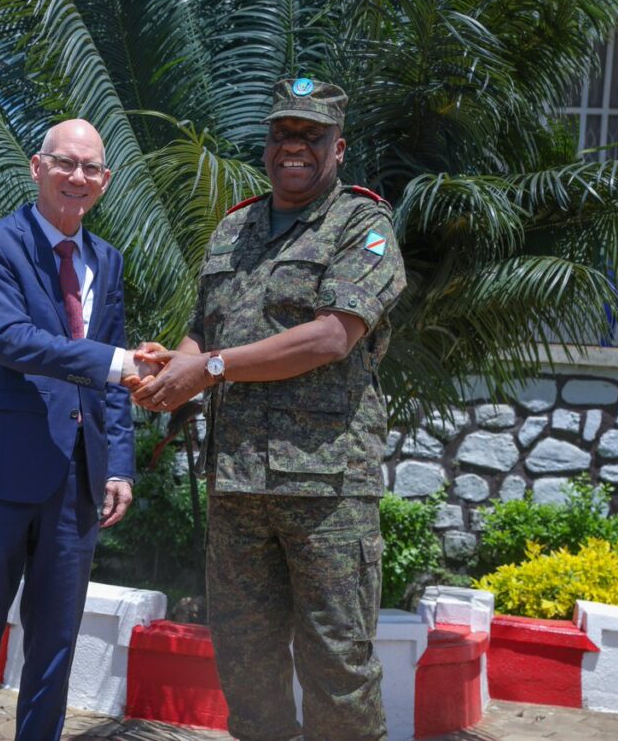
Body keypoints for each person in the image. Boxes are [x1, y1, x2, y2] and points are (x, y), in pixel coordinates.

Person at [133, 79, 407, 741]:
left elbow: (332, 335)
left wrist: (214, 367)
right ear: (267, 144)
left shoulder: (363, 226)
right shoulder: (235, 227)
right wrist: (176, 370)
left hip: (327, 487)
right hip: (236, 485)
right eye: (283, 133)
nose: (294, 147)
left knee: (337, 664)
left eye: (310, 136)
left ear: (337, 148)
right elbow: (206, 328)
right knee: (246, 663)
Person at [0, 119, 156, 741]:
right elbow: (10, 341)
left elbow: (112, 376)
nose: (77, 178)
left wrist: (117, 464)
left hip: (76, 481)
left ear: (105, 181)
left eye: (91, 169)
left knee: (56, 646)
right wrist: (117, 364)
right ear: (37, 168)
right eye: (66, 164)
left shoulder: (107, 261)